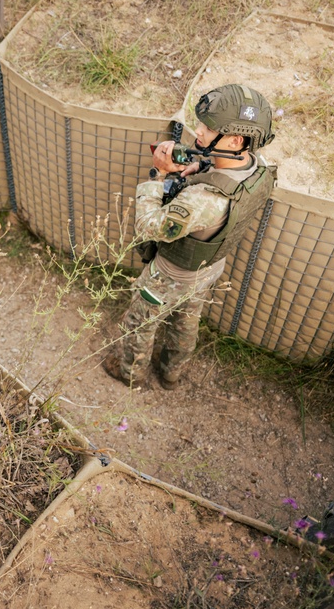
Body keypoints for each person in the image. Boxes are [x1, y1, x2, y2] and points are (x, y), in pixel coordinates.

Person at [103, 83, 277, 390]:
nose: (198, 131)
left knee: (139, 323)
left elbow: (150, 226)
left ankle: (130, 374)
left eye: (208, 128)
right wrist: (203, 166)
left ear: (235, 139)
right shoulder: (259, 169)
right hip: (208, 269)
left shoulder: (204, 200)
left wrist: (158, 175)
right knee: (186, 322)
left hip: (169, 275)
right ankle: (172, 374)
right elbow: (229, 179)